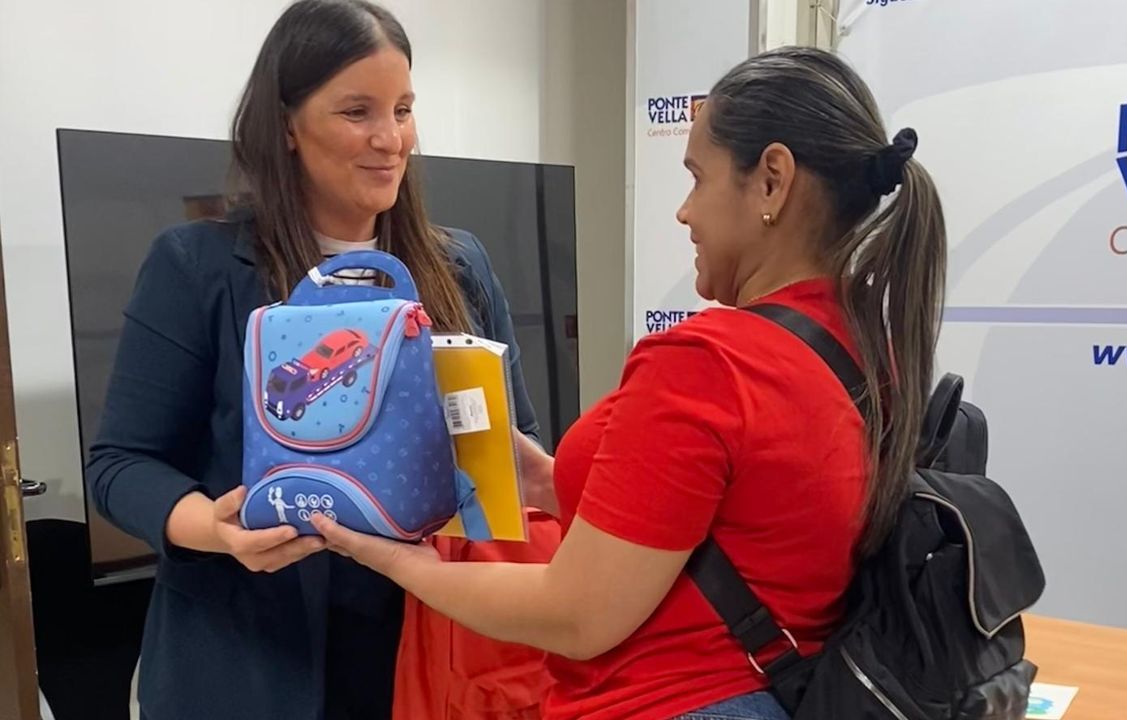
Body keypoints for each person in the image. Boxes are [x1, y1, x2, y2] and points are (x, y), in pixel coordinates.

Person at [316, 46, 948, 720]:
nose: (684, 213)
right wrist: (538, 479)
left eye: (697, 179)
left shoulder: (710, 363)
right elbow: (728, 524)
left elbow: (576, 615)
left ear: (772, 181)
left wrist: (401, 562)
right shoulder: (864, 352)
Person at [85, 1, 540, 718]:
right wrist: (215, 529)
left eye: (403, 110)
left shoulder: (459, 264)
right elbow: (119, 465)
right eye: (357, 112)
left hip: (427, 648)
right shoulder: (198, 265)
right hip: (247, 659)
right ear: (287, 126)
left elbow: (514, 449)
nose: (390, 139)